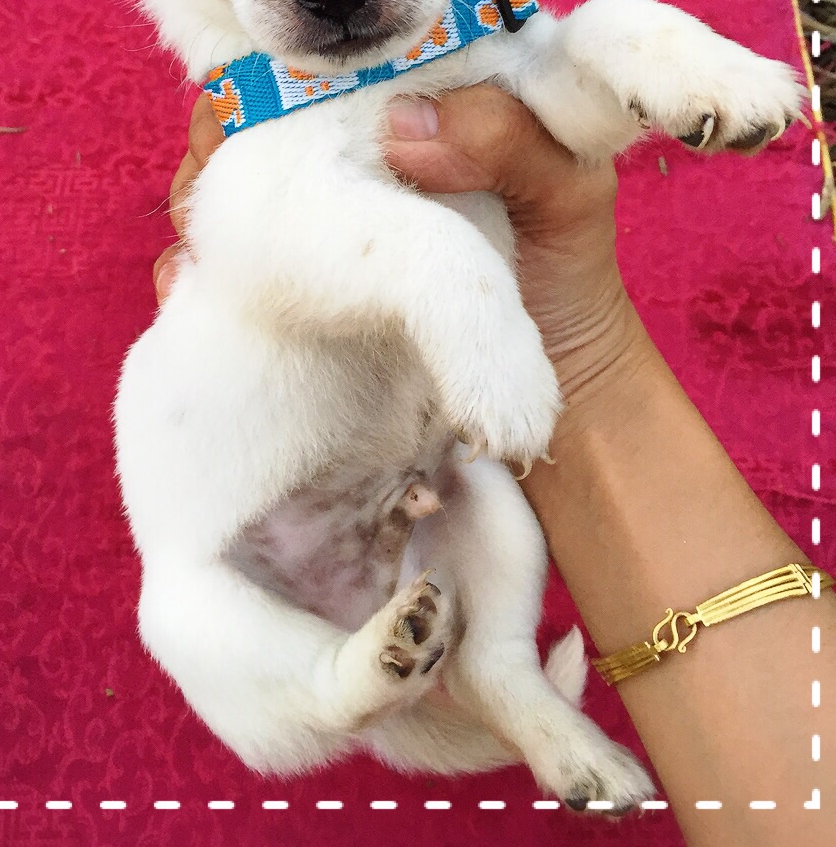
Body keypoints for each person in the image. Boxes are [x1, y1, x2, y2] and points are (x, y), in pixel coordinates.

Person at [153, 84, 834, 845]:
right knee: (181, 609)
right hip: (251, 544)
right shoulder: (254, 98)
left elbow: (556, 91)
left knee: (476, 487)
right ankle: (337, 680)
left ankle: (504, 674)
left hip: (415, 468)